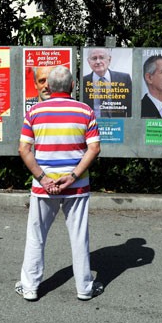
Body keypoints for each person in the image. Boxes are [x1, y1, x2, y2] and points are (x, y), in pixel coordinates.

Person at [16, 65, 103, 302]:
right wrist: (73, 176)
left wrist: (43, 179)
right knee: (79, 237)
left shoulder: (34, 112)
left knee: (36, 236)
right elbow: (94, 148)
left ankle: (30, 287)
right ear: (73, 86)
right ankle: (85, 288)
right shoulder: (85, 111)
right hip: (77, 187)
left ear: (48, 87)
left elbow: (24, 149)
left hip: (43, 188)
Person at [82, 48, 132, 117]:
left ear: (109, 60)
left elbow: (130, 108)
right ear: (89, 61)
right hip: (92, 126)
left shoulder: (124, 79)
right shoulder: (83, 82)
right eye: (94, 58)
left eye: (102, 57)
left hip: (118, 125)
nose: (98, 61)